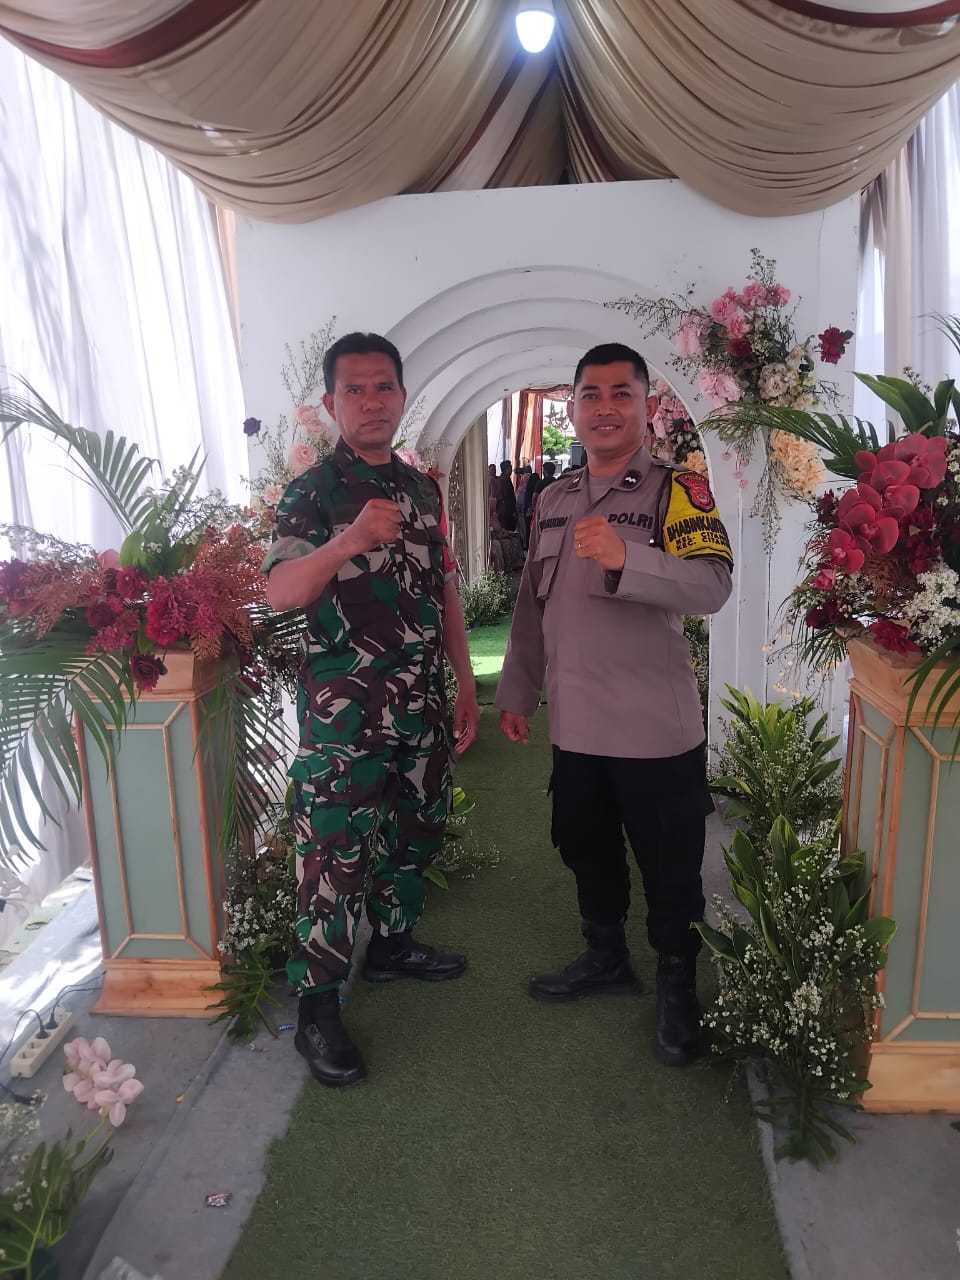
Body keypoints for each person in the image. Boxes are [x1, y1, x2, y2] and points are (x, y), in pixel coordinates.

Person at [495, 342, 733, 1068]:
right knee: (585, 846)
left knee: (670, 866)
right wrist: (517, 690)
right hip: (577, 726)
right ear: (572, 407)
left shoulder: (677, 491)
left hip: (654, 728)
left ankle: (677, 985)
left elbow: (712, 586)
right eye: (590, 395)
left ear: (646, 406)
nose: (604, 408)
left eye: (620, 394)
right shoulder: (554, 500)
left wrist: (631, 558)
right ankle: (606, 956)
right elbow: (533, 606)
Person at [263, 331, 480, 1088]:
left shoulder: (422, 490)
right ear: (331, 404)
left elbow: (443, 586)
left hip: (419, 702)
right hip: (345, 716)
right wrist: (348, 541)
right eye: (353, 389)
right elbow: (281, 591)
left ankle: (391, 944)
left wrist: (464, 678)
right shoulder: (311, 493)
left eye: (383, 386)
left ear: (401, 396)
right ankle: (317, 1009)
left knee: (418, 827)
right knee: (333, 857)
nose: (370, 401)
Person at [495, 459, 518, 532]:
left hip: (500, 509)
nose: (511, 470)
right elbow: (508, 496)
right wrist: (513, 510)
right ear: (507, 469)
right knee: (508, 530)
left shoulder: (499, 479)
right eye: (510, 468)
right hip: (507, 510)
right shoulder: (506, 480)